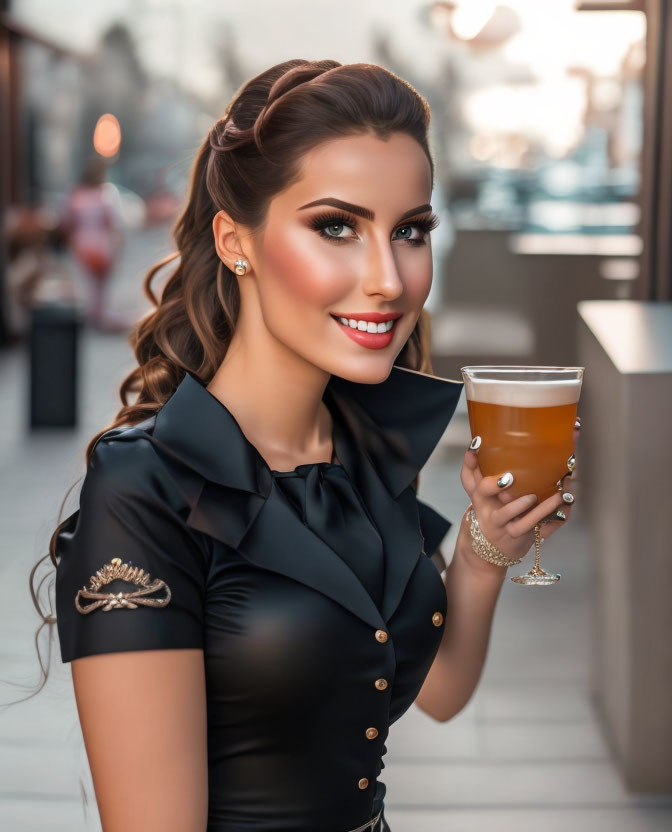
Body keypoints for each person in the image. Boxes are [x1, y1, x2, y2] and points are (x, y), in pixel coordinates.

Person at [32, 59, 578, 831]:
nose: (389, 279)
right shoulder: (143, 494)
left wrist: (489, 543)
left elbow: (438, 690)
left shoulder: (362, 444)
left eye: (411, 231)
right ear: (235, 241)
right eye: (336, 227)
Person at [57, 155, 124, 331]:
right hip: (97, 242)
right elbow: (113, 223)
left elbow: (66, 222)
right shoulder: (104, 194)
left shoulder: (77, 194)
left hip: (85, 242)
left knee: (91, 283)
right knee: (96, 283)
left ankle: (93, 316)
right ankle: (96, 316)